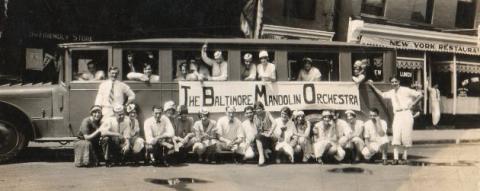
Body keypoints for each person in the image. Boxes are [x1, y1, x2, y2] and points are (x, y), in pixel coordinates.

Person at [367, 77, 423, 165]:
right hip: (397, 114)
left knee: (406, 135)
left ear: (399, 82)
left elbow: (420, 95)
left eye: (395, 81)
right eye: (392, 82)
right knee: (396, 135)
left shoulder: (406, 90)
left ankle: (404, 157)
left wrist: (413, 104)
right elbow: (382, 94)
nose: (394, 83)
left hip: (406, 113)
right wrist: (372, 86)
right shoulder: (391, 92)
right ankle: (395, 158)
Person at [253, 101, 276, 166]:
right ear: (255, 109)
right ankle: (263, 153)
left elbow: (274, 123)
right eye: (256, 109)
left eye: (259, 108)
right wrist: (258, 134)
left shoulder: (267, 113)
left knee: (258, 137)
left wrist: (269, 133)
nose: (258, 110)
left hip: (269, 136)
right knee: (256, 138)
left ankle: (261, 157)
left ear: (262, 108)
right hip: (261, 136)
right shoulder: (255, 117)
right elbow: (255, 130)